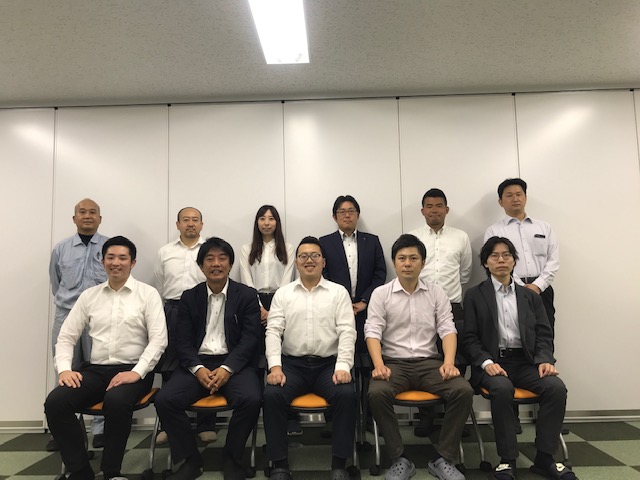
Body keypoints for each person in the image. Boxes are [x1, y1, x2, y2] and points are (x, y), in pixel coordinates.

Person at [44, 236, 167, 480]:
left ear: (133, 263)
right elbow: (66, 336)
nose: (115, 262)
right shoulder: (89, 296)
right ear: (102, 262)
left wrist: (136, 372)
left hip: (134, 371)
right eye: (110, 257)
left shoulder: (148, 294)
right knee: (56, 402)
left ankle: (111, 472)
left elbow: (158, 340)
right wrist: (65, 369)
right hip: (96, 371)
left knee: (116, 401)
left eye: (122, 258)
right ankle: (81, 472)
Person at [462, 237, 574, 480]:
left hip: (525, 363)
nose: (501, 260)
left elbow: (544, 333)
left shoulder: (530, 296)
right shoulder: (474, 295)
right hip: (493, 363)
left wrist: (544, 359)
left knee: (555, 388)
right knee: (502, 389)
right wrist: (486, 363)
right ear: (486, 263)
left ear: (514, 261)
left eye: (506, 255)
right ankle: (507, 460)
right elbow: (469, 337)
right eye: (494, 256)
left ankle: (545, 458)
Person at [365, 234, 473, 480]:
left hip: (430, 363)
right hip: (393, 364)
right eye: (402, 258)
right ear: (394, 262)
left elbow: (447, 328)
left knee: (463, 390)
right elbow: (372, 331)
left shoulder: (436, 292)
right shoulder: (381, 294)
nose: (407, 263)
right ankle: (399, 458)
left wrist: (448, 362)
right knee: (376, 393)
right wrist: (379, 365)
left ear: (423, 263)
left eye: (413, 258)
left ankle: (444, 458)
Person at [154, 237, 262, 480]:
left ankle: (232, 457)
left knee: (252, 398)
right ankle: (191, 460)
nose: (216, 264)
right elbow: (182, 341)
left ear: (230, 264)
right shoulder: (189, 297)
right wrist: (197, 368)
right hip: (197, 364)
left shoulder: (246, 295)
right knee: (165, 400)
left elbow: (250, 339)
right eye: (209, 259)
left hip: (234, 364)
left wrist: (227, 368)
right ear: (201, 266)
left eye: (222, 258)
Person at [263, 236, 357, 480]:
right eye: (303, 256)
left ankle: (340, 464)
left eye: (315, 255)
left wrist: (343, 366)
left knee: (346, 394)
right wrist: (275, 367)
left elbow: (347, 331)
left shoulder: (338, 292)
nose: (309, 260)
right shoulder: (283, 294)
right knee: (272, 395)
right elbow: (273, 331)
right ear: (296, 262)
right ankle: (279, 464)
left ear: (324, 262)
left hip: (328, 366)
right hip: (292, 366)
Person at [408, 188, 472, 436]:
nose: (434, 210)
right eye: (429, 206)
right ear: (422, 210)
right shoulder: (413, 237)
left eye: (438, 206)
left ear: (447, 209)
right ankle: (426, 417)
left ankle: (452, 418)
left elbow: (465, 272)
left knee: (455, 359)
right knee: (425, 360)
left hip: (453, 306)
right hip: (420, 305)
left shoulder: (461, 237)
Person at [48, 198, 109, 451]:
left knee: (100, 370)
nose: (87, 216)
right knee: (65, 370)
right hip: (67, 316)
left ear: (99, 218)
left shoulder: (109, 247)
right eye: (82, 212)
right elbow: (56, 282)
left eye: (92, 212)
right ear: (74, 218)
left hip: (99, 317)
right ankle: (63, 429)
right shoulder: (61, 249)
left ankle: (100, 429)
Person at [153, 207, 216, 444]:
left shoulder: (209, 250)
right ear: (178, 224)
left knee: (205, 361)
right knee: (170, 366)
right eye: (186, 220)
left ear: (202, 224)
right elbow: (160, 284)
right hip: (173, 310)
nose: (191, 224)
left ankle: (206, 424)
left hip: (204, 310)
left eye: (195, 220)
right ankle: (169, 425)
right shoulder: (165, 252)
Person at [238, 205, 301, 435]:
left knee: (282, 359)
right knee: (256, 359)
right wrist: (258, 307)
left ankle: (290, 418)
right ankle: (254, 416)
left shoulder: (288, 248)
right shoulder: (246, 249)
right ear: (257, 222)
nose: (266, 223)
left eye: (271, 218)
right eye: (262, 219)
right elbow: (246, 280)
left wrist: (272, 309)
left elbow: (287, 280)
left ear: (277, 222)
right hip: (252, 302)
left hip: (282, 300)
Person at [484, 178, 559, 333]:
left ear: (525, 197)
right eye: (509, 195)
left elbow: (553, 260)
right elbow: (494, 262)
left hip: (542, 289)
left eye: (519, 194)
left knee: (545, 333)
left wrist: (538, 286)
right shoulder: (494, 231)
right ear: (500, 202)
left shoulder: (544, 227)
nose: (515, 199)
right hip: (508, 289)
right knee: (515, 335)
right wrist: (519, 287)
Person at [319, 195, 386, 354]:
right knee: (339, 352)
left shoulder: (372, 241)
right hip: (334, 309)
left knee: (367, 353)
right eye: (342, 212)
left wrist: (364, 301)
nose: (347, 215)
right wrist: (341, 302)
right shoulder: (324, 242)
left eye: (351, 211)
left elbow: (380, 273)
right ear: (334, 217)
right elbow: (322, 274)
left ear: (358, 215)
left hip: (366, 309)